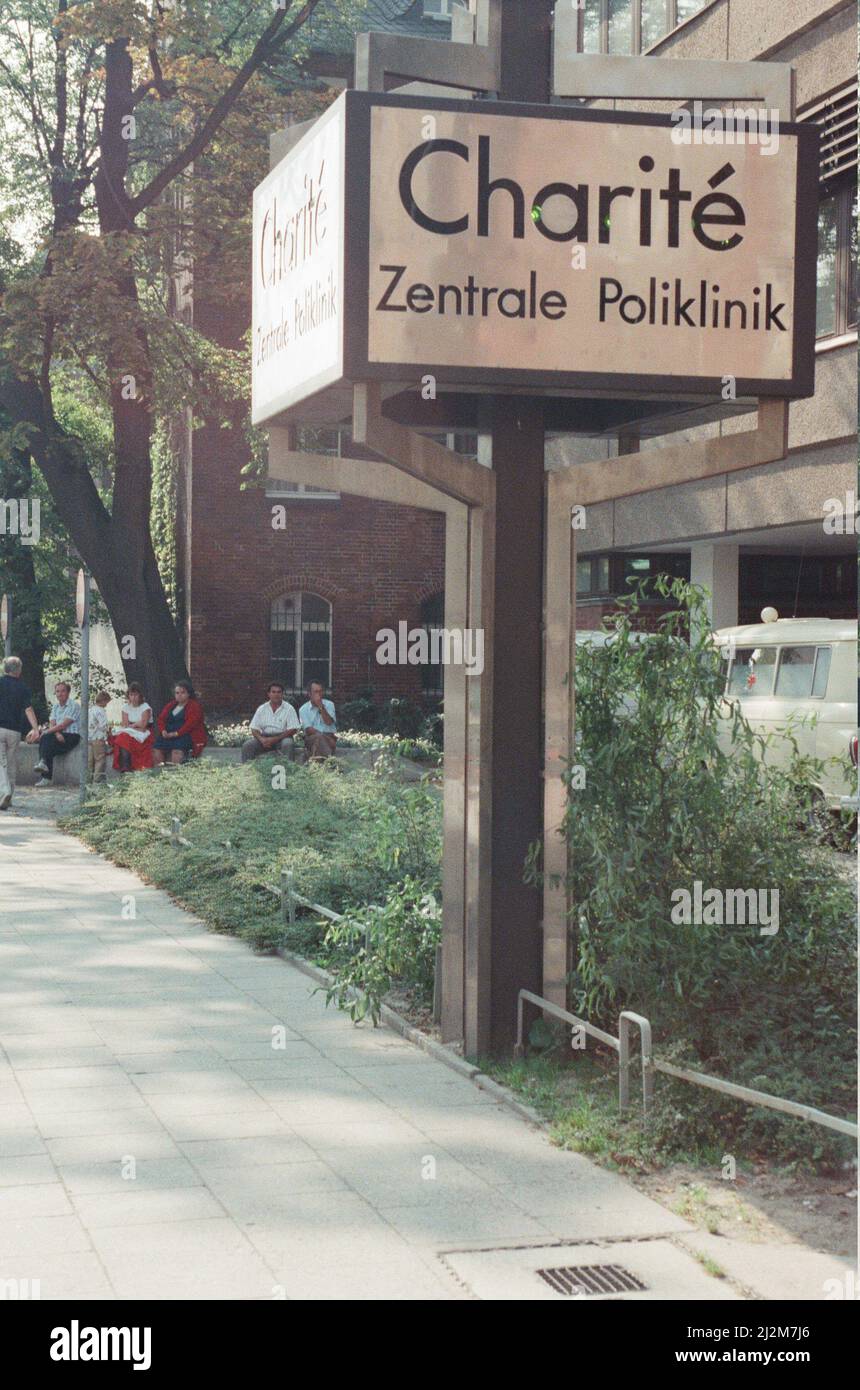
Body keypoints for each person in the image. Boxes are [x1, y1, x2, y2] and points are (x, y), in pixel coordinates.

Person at [0, 656, 40, 810]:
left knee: (1, 763)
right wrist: (36, 729)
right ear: (19, 671)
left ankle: (4, 792)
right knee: (11, 764)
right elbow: (28, 709)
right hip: (15, 731)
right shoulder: (23, 688)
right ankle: (9, 797)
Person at [27, 681, 81, 786]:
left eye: (63, 691)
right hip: (58, 735)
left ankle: (45, 772)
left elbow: (63, 725)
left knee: (45, 740)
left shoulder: (74, 705)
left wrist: (46, 732)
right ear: (55, 693)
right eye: (57, 691)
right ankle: (45, 771)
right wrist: (56, 734)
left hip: (71, 736)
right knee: (48, 747)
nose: (60, 694)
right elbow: (52, 723)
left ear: (68, 692)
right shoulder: (55, 706)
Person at [153, 680, 207, 766]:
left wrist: (176, 734)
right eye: (177, 693)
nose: (179, 695)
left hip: (186, 735)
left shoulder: (194, 706)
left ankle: (175, 771)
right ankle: (159, 770)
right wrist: (163, 731)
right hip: (168, 734)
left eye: (183, 692)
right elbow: (161, 719)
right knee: (157, 748)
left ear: (188, 694)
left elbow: (190, 724)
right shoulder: (171, 705)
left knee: (176, 750)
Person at [242, 682, 299, 763]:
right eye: (273, 692)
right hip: (264, 738)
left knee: (288, 744)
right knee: (247, 745)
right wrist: (261, 739)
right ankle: (246, 771)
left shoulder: (289, 709)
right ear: (268, 694)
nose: (276, 694)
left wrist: (275, 739)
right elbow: (254, 728)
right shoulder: (262, 708)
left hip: (282, 737)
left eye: (279, 692)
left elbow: (293, 730)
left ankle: (288, 771)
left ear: (282, 694)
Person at [110, 683, 154, 773]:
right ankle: (125, 767)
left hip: (144, 733)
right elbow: (125, 725)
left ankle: (127, 767)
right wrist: (136, 725)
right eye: (131, 695)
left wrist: (134, 726)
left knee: (123, 738)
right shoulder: (125, 708)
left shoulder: (145, 707)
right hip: (130, 731)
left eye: (136, 695)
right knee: (122, 737)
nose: (133, 697)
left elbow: (143, 726)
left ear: (140, 695)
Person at [299, 680, 337, 762]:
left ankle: (316, 764)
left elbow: (329, 722)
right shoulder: (303, 709)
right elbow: (308, 730)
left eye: (320, 691)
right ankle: (331, 763)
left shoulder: (330, 705)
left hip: (329, 737)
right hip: (312, 738)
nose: (319, 694)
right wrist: (325, 737)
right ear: (309, 694)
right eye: (316, 692)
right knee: (318, 738)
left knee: (318, 743)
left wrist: (321, 707)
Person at [88, 690, 112, 784]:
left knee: (90, 761)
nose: (106, 704)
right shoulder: (101, 711)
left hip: (89, 738)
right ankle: (97, 780)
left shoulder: (91, 710)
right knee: (100, 759)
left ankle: (88, 779)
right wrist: (108, 731)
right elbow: (103, 725)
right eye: (106, 702)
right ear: (103, 701)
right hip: (98, 738)